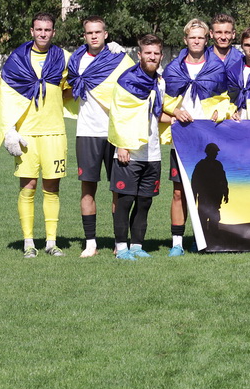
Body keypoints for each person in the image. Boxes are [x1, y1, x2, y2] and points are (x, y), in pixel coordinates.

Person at [0, 13, 71, 257]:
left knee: (52, 187)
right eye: (39, 29)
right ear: (31, 31)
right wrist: (9, 130)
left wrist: (109, 52)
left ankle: (51, 242)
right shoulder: (17, 59)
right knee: (28, 187)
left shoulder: (63, 57)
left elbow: (77, 80)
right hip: (26, 134)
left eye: (47, 29)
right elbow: (7, 95)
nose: (43, 33)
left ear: (53, 32)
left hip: (55, 133)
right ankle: (28, 242)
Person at [65, 16, 134, 257]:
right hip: (87, 133)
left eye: (98, 32)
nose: (93, 36)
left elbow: (136, 84)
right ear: (84, 36)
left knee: (119, 190)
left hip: (115, 133)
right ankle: (90, 243)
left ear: (106, 34)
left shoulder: (120, 59)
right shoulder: (75, 61)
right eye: (89, 33)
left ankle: (119, 243)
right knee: (87, 189)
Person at [162, 19, 232, 256]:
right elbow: (163, 100)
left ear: (206, 39)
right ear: (185, 40)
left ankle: (201, 238)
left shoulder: (217, 68)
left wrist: (220, 111)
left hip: (206, 138)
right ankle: (177, 243)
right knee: (179, 191)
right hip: (182, 138)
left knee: (207, 192)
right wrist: (174, 111)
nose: (196, 41)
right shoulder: (173, 69)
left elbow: (225, 100)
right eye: (192, 37)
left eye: (201, 37)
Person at [109, 34, 170, 260]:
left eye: (156, 53)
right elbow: (117, 115)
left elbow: (157, 113)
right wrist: (122, 145)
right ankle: (121, 248)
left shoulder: (160, 82)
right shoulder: (126, 80)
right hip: (129, 151)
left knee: (145, 202)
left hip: (152, 153)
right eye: (148, 53)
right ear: (139, 54)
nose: (152, 57)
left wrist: (179, 119)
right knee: (125, 201)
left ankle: (136, 246)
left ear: (161, 56)